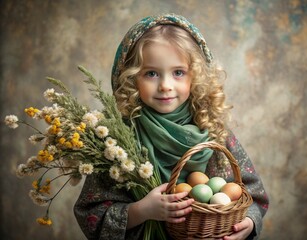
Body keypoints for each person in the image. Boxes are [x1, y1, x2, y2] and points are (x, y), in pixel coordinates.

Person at [74, 14, 269, 240]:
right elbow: (90, 213)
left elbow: (253, 194)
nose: (165, 86)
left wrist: (249, 222)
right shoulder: (117, 141)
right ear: (131, 79)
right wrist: (141, 211)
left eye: (178, 72)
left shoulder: (212, 129)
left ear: (194, 76)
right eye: (151, 73)